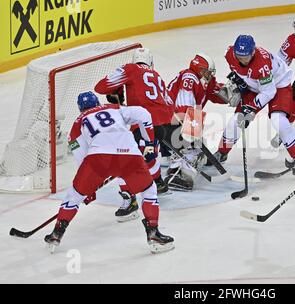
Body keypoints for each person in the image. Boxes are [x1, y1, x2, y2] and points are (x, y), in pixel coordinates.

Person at [44, 91, 174, 254]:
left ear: (80, 109)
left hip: (97, 159)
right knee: (149, 190)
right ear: (98, 103)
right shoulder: (115, 108)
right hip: (129, 156)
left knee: (74, 195)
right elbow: (144, 114)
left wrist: (87, 188)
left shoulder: (77, 125)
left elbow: (80, 156)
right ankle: (154, 234)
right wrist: (148, 143)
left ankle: (56, 233)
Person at [95, 48, 174, 220]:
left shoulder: (131, 69)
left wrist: (114, 90)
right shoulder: (157, 75)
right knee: (149, 155)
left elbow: (101, 87)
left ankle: (129, 201)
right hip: (161, 126)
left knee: (125, 162)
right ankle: (159, 182)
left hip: (141, 125)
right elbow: (169, 103)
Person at [212, 34, 295, 174]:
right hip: (254, 85)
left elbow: (269, 92)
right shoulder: (230, 54)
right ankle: (222, 152)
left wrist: (251, 107)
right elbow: (239, 70)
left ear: (253, 52)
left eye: (246, 56)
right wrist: (239, 82)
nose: (242, 60)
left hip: (279, 84)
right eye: (239, 56)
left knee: (278, 119)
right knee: (236, 121)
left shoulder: (261, 65)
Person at [164, 53, 229, 191]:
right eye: (207, 72)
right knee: (192, 147)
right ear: (201, 70)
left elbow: (217, 93)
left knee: (196, 145)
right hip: (169, 121)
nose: (210, 75)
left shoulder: (203, 82)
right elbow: (183, 105)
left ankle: (177, 162)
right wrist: (190, 130)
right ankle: (177, 175)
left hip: (170, 120)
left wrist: (232, 92)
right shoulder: (189, 77)